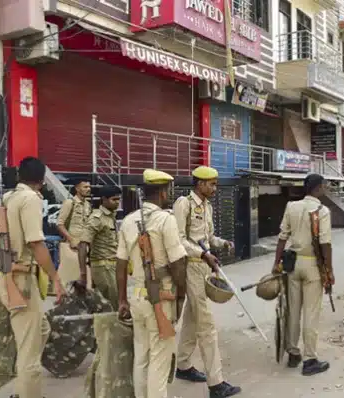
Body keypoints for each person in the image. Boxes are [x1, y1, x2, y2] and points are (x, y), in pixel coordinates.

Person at [0, 156, 66, 398]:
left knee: (41, 329)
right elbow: (36, 243)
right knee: (30, 350)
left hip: (5, 276)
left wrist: (3, 271)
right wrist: (56, 278)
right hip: (20, 280)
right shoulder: (29, 199)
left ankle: (22, 388)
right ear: (41, 181)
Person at [115, 169, 187, 398]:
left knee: (142, 357)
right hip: (160, 296)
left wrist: (122, 300)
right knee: (159, 360)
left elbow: (120, 265)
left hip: (136, 296)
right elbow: (178, 265)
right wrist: (181, 295)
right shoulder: (166, 220)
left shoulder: (127, 221)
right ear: (163, 192)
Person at [173, 166, 240, 398]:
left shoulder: (208, 206)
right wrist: (202, 254)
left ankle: (182, 366)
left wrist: (222, 243)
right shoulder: (184, 204)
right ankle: (216, 383)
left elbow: (207, 237)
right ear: (199, 183)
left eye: (215, 184)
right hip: (191, 266)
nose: (214, 188)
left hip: (205, 265)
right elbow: (179, 238)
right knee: (206, 325)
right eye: (211, 184)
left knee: (193, 317)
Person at [273, 173, 332, 376]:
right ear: (317, 188)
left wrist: (276, 263)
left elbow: (282, 237)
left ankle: (293, 353)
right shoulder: (322, 211)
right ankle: (310, 359)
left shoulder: (292, 207)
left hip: (293, 264)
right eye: (323, 186)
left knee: (293, 311)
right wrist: (328, 271)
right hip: (312, 265)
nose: (325, 189)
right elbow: (325, 244)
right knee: (311, 312)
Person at [78, 185, 122, 303]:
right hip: (103, 267)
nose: (117, 203)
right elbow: (83, 244)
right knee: (112, 303)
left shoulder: (111, 216)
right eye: (114, 199)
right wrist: (83, 274)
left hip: (112, 265)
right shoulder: (97, 218)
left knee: (114, 303)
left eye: (118, 199)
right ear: (104, 199)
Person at [57, 177, 92, 287]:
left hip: (85, 247)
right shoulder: (69, 203)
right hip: (71, 247)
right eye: (85, 187)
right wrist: (71, 239)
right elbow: (59, 224)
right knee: (69, 280)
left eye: (89, 186)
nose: (88, 189)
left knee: (84, 280)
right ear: (77, 188)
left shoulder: (88, 205)